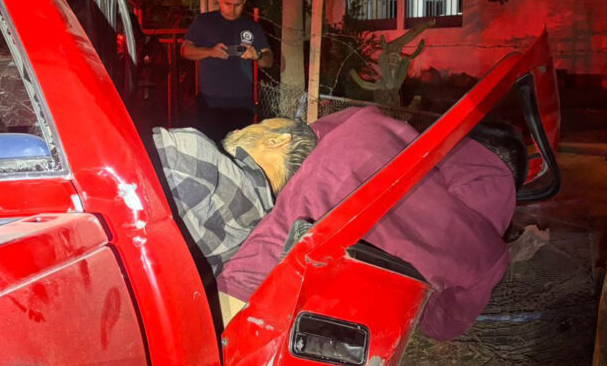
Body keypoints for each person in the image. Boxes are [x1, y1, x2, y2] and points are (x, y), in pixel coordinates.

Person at [216, 106, 526, 341]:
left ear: (276, 140)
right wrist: (429, 320)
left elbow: (274, 241)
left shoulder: (345, 154)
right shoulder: (355, 132)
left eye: (258, 126)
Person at [152, 117, 317, 277]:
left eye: (260, 124)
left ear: (275, 141)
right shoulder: (253, 240)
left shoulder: (195, 153)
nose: (238, 129)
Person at [180, 0, 273, 142]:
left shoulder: (251, 26)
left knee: (239, 153)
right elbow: (185, 50)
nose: (232, 9)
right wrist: (210, 51)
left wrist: (257, 55)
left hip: (242, 103)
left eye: (237, 5)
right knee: (211, 151)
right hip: (210, 101)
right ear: (220, 0)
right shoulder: (204, 22)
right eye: (227, 3)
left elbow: (268, 60)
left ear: (244, 2)